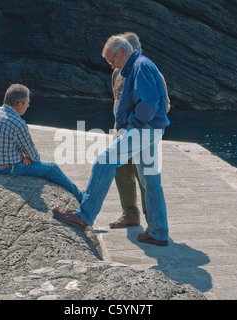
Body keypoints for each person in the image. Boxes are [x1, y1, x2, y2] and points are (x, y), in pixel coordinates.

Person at [53, 36, 170, 246]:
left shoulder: (140, 67)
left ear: (122, 51)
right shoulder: (139, 65)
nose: (111, 65)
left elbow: (149, 103)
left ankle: (84, 215)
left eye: (111, 60)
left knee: (103, 161)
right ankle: (159, 232)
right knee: (151, 180)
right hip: (153, 130)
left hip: (143, 129)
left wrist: (133, 124)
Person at [109, 32, 171, 229]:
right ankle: (130, 214)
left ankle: (152, 222)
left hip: (142, 133)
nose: (113, 64)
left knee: (146, 177)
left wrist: (137, 122)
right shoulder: (117, 73)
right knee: (121, 172)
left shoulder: (151, 72)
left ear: (130, 51)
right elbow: (117, 101)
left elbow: (164, 105)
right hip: (122, 133)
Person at [0, 84, 83, 202]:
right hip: (5, 169)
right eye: (27, 103)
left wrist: (22, 155)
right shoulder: (18, 123)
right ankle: (80, 197)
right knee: (52, 168)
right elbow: (34, 156)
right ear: (19, 104)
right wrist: (27, 156)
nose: (28, 105)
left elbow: (0, 142)